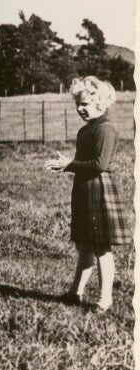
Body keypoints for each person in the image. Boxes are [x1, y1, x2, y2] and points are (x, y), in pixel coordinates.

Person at [44, 76, 130, 312]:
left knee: (101, 246)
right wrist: (67, 165)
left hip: (99, 189)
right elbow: (83, 162)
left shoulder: (105, 128)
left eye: (85, 104)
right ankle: (76, 293)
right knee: (84, 245)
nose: (80, 109)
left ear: (101, 104)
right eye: (78, 105)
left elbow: (99, 165)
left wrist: (69, 165)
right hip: (84, 188)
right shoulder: (87, 130)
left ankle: (105, 299)